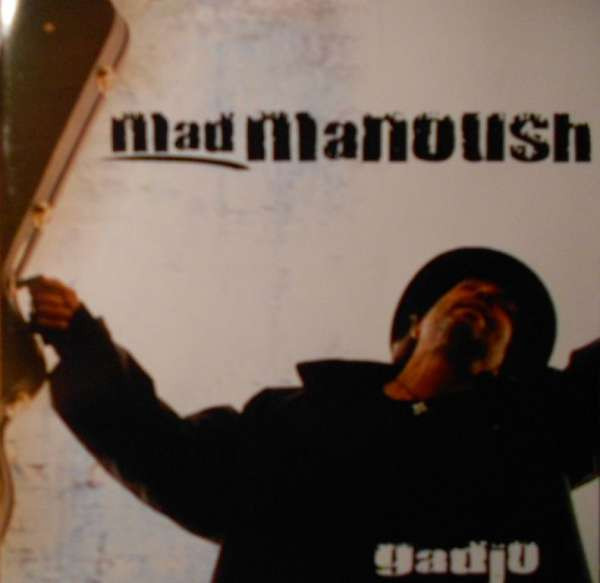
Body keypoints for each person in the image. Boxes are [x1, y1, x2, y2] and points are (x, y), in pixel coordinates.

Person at [28, 247, 598, 582]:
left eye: (504, 306)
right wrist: (82, 343)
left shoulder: (537, 424)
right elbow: (174, 461)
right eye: (469, 288)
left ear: (510, 359)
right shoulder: (292, 420)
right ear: (414, 326)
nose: (485, 297)